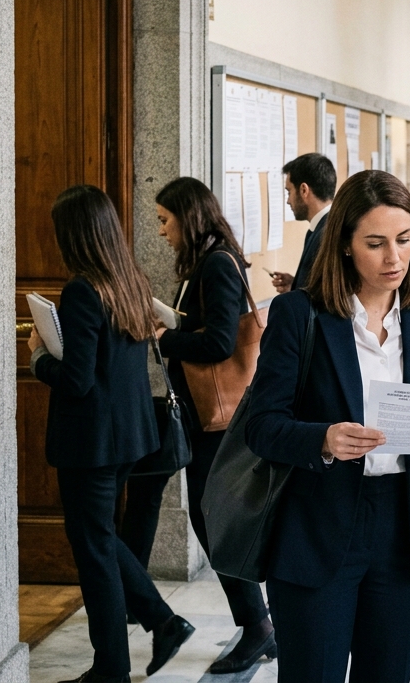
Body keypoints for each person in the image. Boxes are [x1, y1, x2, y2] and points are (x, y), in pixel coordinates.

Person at [244, 170, 410, 683]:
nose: (394, 258)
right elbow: (260, 426)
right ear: (345, 245)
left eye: (404, 240)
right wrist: (323, 438)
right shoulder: (298, 315)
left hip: (403, 526)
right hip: (317, 523)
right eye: (375, 244)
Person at [27, 185, 195, 683]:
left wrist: (39, 356)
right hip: (129, 436)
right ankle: (153, 630)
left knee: (95, 549)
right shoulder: (129, 280)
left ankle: (120, 662)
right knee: (99, 538)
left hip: (92, 443)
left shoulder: (83, 289)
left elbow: (77, 379)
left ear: (75, 235)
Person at [117, 178, 275, 674]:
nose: (161, 230)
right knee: (191, 514)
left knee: (213, 523)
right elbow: (204, 327)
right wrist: (175, 323)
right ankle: (253, 622)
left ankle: (258, 626)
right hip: (197, 415)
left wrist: (166, 339)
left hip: (216, 421)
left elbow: (219, 343)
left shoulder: (216, 263)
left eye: (165, 219)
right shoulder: (206, 260)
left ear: (189, 217)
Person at [272, 153, 336, 294]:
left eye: (289, 192)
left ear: (304, 190)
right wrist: (295, 285)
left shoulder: (327, 234)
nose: (288, 201)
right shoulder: (324, 226)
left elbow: (325, 297)